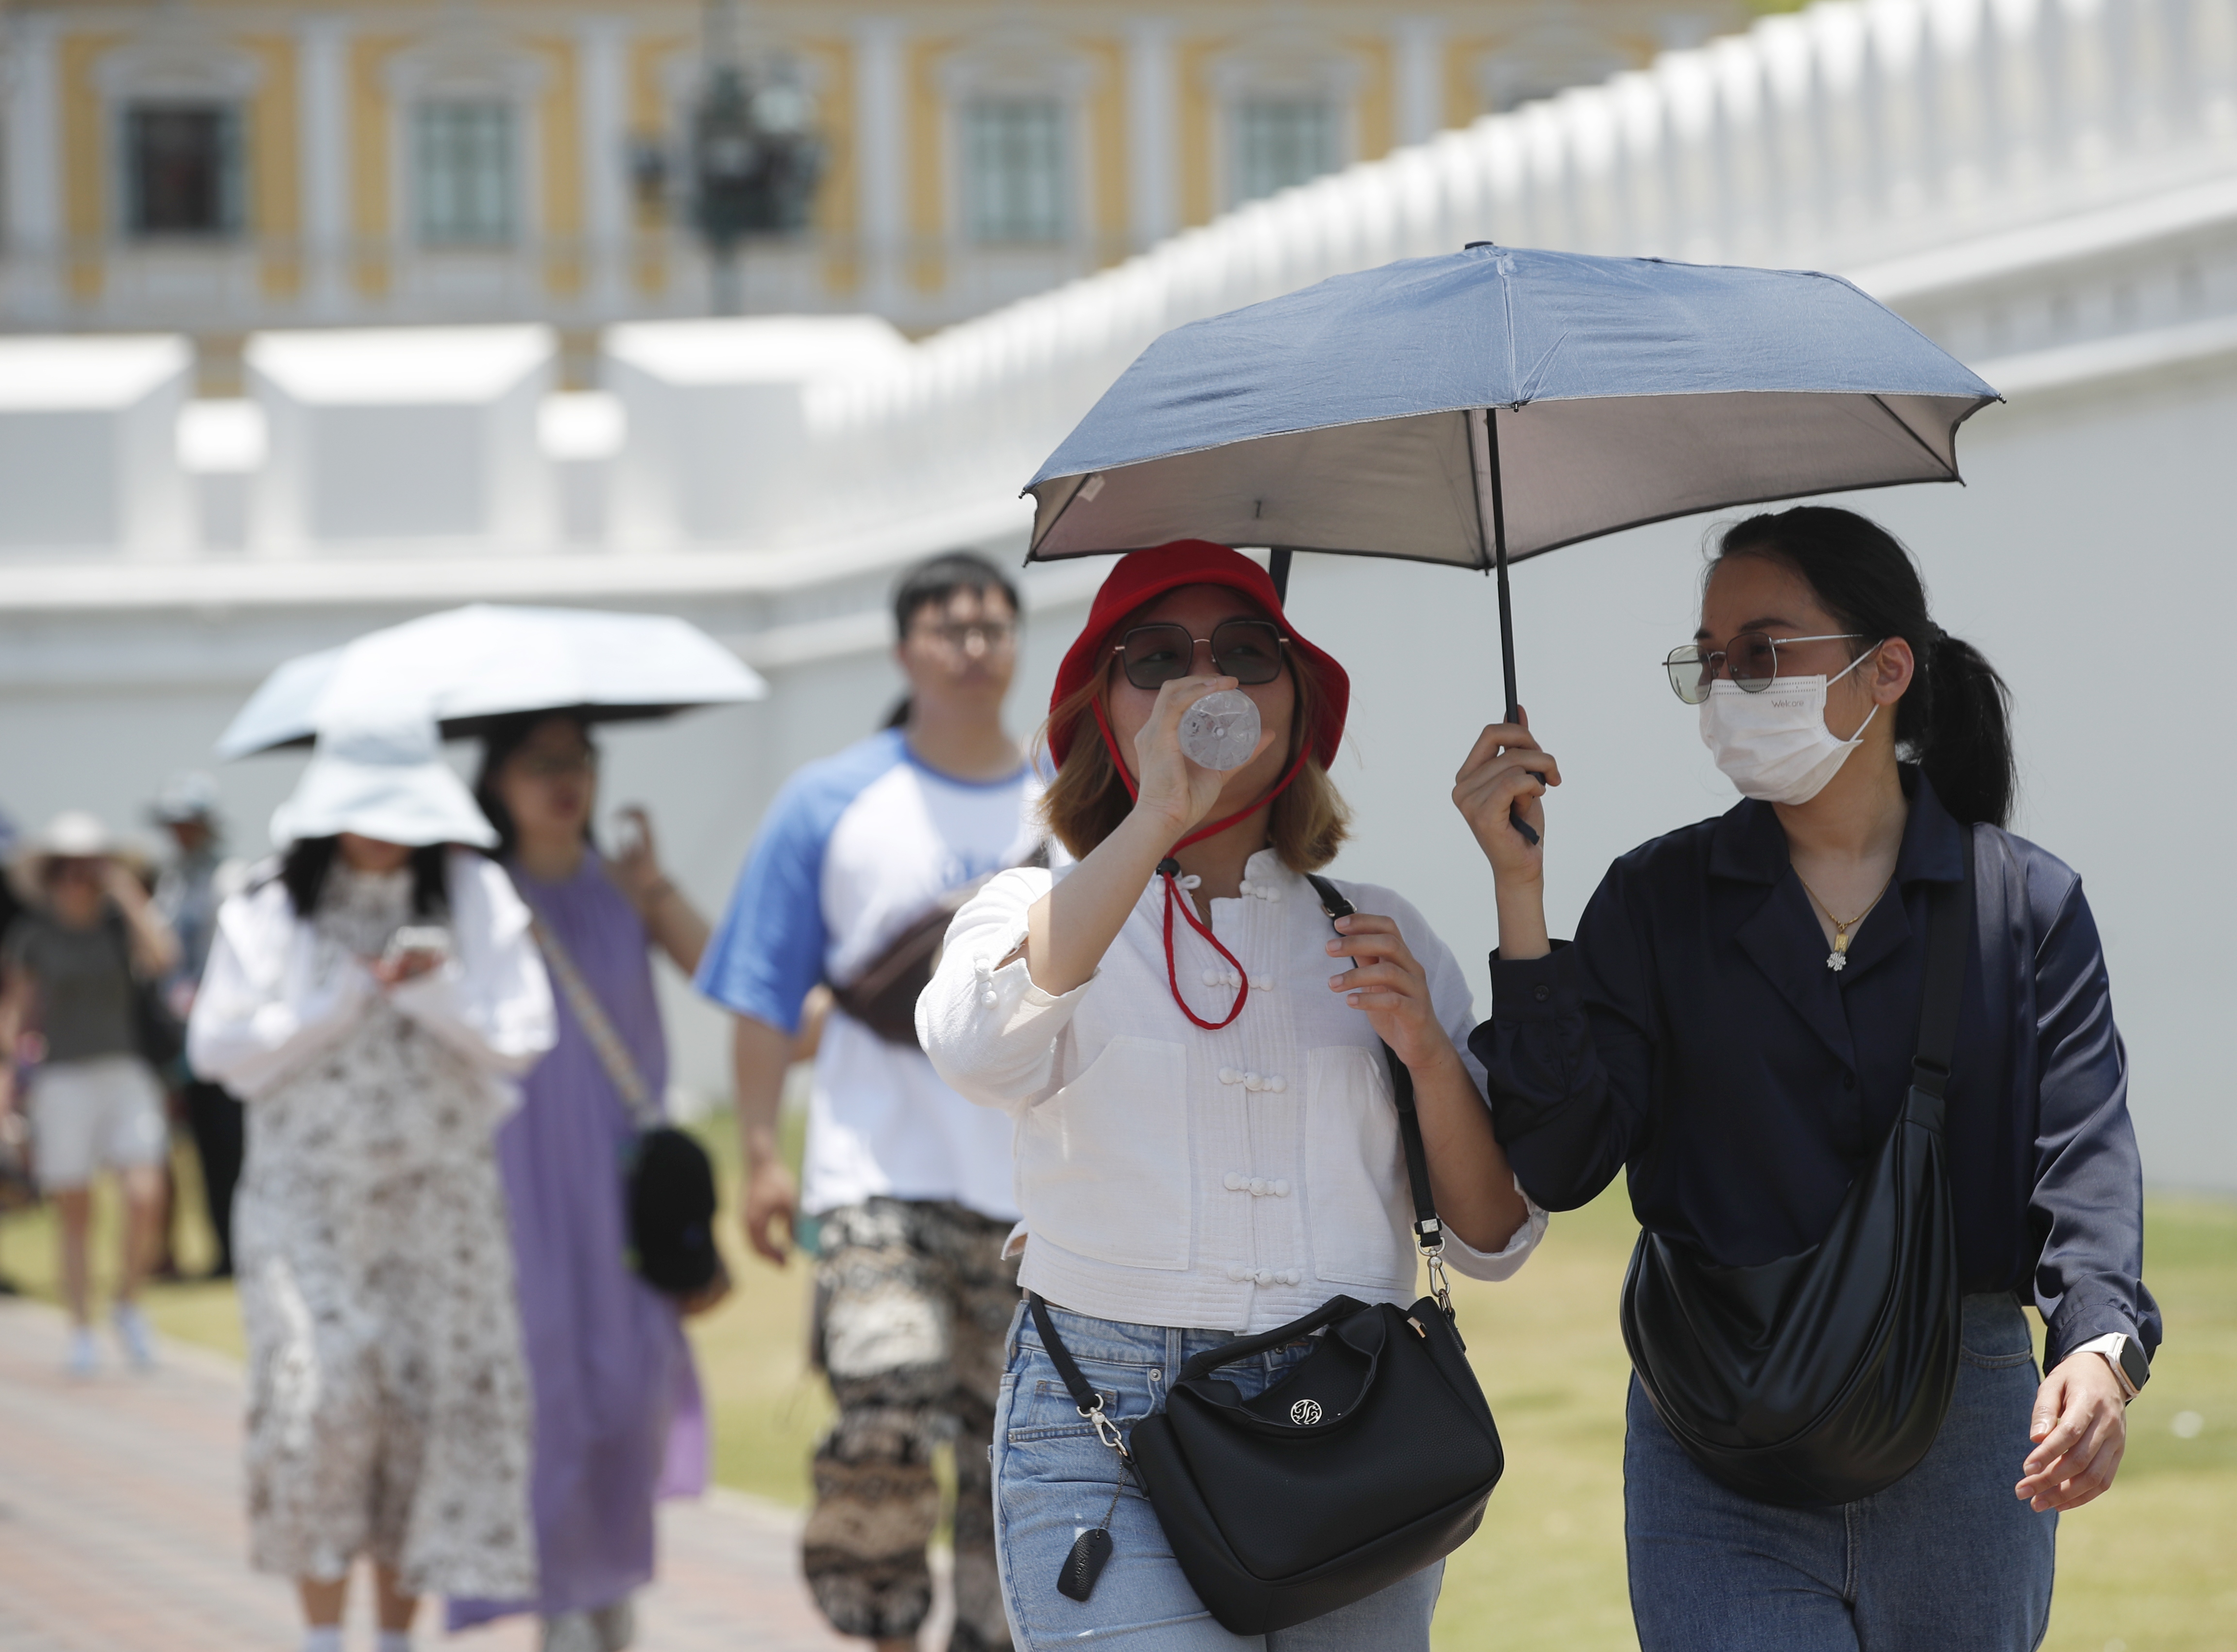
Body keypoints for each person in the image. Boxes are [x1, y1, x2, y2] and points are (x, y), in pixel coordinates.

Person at [1454, 506, 2159, 1652]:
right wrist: (1521, 902)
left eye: (1765, 652)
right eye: (1712, 660)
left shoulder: (2021, 907)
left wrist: (2096, 1343)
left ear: (1887, 671)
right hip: (1713, 1425)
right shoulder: (1656, 900)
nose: (1730, 686)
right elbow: (1563, 1159)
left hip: (1963, 1421)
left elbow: (2083, 1152)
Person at [917, 541, 1545, 1652]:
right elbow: (973, 1047)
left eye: (1248, 652)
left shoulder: (1377, 929)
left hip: (1353, 1424)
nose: (1205, 682)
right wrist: (1156, 817)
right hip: (1105, 1419)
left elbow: (1497, 1238)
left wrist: (1430, 1057)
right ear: (1099, 708)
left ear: (1298, 708)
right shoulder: (1034, 907)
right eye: (1155, 657)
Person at [696, 550, 1042, 1652]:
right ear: (904, 650)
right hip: (873, 1176)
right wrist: (759, 1154)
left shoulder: (1070, 797)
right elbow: (760, 995)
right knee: (883, 1421)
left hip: (1034, 1195)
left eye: (994, 626)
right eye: (951, 628)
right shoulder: (830, 802)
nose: (975, 647)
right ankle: (885, 1632)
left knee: (1015, 1458)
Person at [187, 713, 554, 1652]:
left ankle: (393, 1637)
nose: (382, 832)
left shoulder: (473, 892)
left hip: (440, 1204)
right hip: (307, 1201)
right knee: (322, 1395)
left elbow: (522, 1039)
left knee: (421, 1408)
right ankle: (321, 1635)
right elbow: (220, 1050)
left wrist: (433, 992)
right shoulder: (269, 902)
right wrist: (333, 1003)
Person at [445, 710, 715, 1652]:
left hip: (620, 1176)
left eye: (578, 761)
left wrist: (657, 889)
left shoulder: (622, 888)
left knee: (628, 1379)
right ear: (497, 781)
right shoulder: (474, 898)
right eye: (538, 764)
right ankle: (561, 1605)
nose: (563, 780)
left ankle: (612, 1592)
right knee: (545, 1382)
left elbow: (727, 975)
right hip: (516, 1176)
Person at [0, 810, 180, 1374]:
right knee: (75, 1211)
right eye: (67, 871)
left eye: (88, 869)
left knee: (146, 1194)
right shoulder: (32, 937)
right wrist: (9, 1097)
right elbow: (17, 1022)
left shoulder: (117, 924)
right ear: (51, 876)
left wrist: (126, 891)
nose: (78, 881)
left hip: (125, 1073)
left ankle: (128, 1303)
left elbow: (164, 957)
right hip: (61, 1080)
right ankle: (80, 1329)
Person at [151, 772, 250, 1278]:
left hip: (223, 1025)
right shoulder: (173, 881)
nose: (180, 833)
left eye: (187, 823)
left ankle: (239, 1252)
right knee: (202, 1150)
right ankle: (219, 1250)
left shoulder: (228, 877)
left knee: (232, 1144)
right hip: (179, 1034)